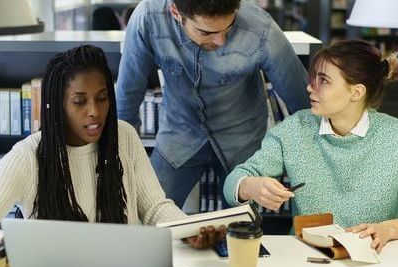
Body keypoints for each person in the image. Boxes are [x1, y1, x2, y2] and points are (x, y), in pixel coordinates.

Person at [0, 45, 224, 252]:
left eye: (102, 98)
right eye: (79, 101)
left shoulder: (124, 136)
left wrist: (188, 230)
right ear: (57, 105)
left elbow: (154, 207)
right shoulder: (27, 156)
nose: (94, 112)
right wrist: (16, 250)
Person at [223, 40, 398, 253]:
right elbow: (234, 182)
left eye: (323, 80)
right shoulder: (295, 129)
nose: (310, 88)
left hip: (376, 261)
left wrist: (389, 230)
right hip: (308, 259)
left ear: (356, 92)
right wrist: (251, 186)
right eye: (314, 78)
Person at [116, 0, 310, 208]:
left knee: (241, 229)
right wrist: (123, 157)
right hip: (179, 135)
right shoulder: (147, 19)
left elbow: (302, 100)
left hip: (242, 140)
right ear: (175, 12)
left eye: (229, 27)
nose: (220, 41)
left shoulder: (261, 28)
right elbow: (127, 95)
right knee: (145, 213)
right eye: (205, 32)